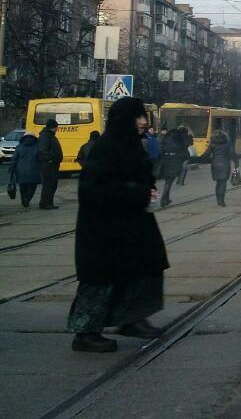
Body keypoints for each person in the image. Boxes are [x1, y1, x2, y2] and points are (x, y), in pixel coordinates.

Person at [68, 97, 168, 352]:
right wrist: (137, 193)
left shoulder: (131, 146)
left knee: (143, 269)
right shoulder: (105, 147)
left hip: (131, 226)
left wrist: (148, 190)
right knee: (100, 281)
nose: (144, 122)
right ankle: (85, 333)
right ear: (125, 119)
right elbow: (93, 191)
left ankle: (131, 319)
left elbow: (140, 176)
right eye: (138, 116)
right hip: (104, 230)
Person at [201, 130, 235, 207]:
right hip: (225, 164)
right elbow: (232, 153)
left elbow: (206, 154)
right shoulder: (227, 143)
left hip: (215, 164)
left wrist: (198, 158)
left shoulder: (212, 144)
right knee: (223, 183)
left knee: (218, 183)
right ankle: (221, 200)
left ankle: (218, 199)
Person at [157, 128, 188, 209]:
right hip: (175, 160)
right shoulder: (180, 138)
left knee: (167, 180)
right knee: (169, 181)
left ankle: (167, 199)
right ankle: (162, 200)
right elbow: (184, 151)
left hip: (165, 160)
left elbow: (161, 149)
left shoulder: (166, 137)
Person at [36, 118, 64, 210]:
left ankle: (49, 203)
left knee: (52, 184)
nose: (57, 129)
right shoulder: (45, 136)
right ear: (53, 127)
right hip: (49, 165)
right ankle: (45, 204)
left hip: (53, 165)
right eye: (56, 127)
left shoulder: (50, 135)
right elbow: (42, 150)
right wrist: (50, 160)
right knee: (48, 185)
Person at [9, 133, 42, 207]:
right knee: (32, 186)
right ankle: (27, 199)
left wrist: (11, 167)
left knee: (22, 186)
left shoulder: (19, 147)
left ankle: (23, 199)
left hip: (20, 170)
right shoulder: (37, 147)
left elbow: (14, 159)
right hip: (34, 170)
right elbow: (40, 159)